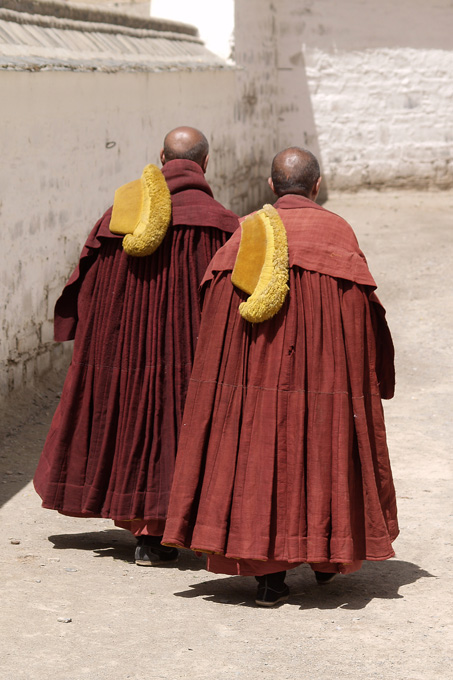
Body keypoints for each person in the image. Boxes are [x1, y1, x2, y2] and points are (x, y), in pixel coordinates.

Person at [162, 147, 399, 606]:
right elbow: (364, 312)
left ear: (271, 187)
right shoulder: (337, 231)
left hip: (258, 377)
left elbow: (212, 308)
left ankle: (269, 579)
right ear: (317, 186)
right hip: (327, 376)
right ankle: (328, 558)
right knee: (326, 450)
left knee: (260, 454)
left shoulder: (247, 234)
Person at [34, 126, 239, 566]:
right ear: (206, 164)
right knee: (175, 425)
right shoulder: (222, 224)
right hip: (188, 353)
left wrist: (97, 341)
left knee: (129, 418)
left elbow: (86, 282)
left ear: (160, 158)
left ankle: (144, 533)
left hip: (123, 350)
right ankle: (168, 528)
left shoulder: (120, 213)